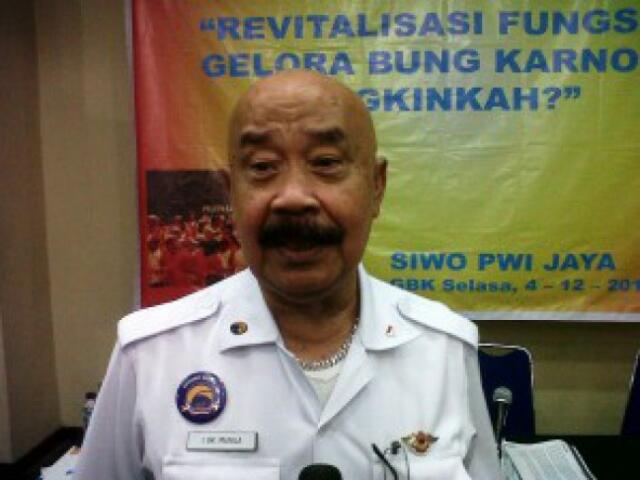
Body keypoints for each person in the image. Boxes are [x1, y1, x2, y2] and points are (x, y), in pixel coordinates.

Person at [75, 70, 502, 479]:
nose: (293, 198)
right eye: (262, 166)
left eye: (326, 162)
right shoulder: (150, 355)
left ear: (377, 186)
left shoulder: (443, 349)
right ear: (231, 193)